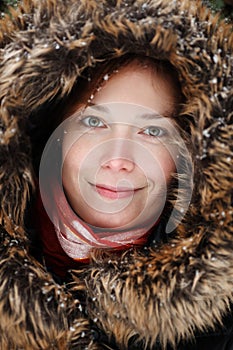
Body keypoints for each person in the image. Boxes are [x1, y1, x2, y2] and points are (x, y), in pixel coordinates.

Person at [0, 0, 232, 349]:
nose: (118, 159)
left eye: (152, 132)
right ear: (56, 133)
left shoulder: (220, 316)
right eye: (94, 122)